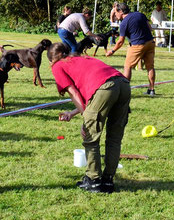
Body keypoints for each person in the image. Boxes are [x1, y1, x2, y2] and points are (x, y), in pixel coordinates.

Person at [49, 42, 131, 193]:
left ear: (51, 60)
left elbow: (74, 93)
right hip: (123, 84)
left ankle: (93, 180)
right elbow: (93, 97)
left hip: (105, 88)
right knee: (114, 138)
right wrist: (73, 113)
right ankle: (107, 181)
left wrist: (86, 119)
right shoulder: (83, 59)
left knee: (91, 137)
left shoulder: (57, 66)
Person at [105, 3, 156, 96]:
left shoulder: (124, 23)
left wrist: (112, 51)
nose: (115, 15)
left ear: (121, 11)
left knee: (127, 67)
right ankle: (151, 89)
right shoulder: (139, 14)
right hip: (150, 43)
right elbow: (150, 27)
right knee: (150, 67)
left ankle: (124, 92)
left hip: (137, 45)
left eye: (116, 12)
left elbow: (120, 41)